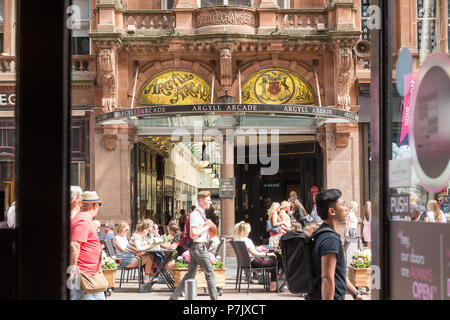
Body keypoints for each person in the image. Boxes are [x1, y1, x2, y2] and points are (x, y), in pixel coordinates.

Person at [307, 189, 363, 300]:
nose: (346, 208)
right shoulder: (330, 239)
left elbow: (337, 273)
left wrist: (355, 294)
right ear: (332, 211)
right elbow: (327, 278)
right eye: (343, 205)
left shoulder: (322, 233)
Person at [170, 190, 218, 300]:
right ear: (201, 201)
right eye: (208, 200)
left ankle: (173, 297)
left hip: (197, 247)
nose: (210, 202)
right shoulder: (196, 214)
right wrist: (207, 226)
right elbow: (193, 234)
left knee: (190, 274)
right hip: (198, 247)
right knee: (210, 274)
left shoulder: (201, 213)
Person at [69, 191, 106, 300]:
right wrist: (73, 268)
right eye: (99, 205)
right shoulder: (83, 220)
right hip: (84, 275)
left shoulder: (84, 219)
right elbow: (74, 245)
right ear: (95, 205)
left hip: (89, 275)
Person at [235, 221, 279, 292]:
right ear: (246, 230)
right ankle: (273, 286)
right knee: (277, 261)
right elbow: (255, 254)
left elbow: (251, 251)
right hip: (254, 262)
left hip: (246, 262)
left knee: (275, 260)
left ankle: (273, 284)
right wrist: (268, 254)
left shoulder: (238, 239)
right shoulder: (247, 240)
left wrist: (257, 249)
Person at [121, 220, 157, 284]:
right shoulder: (137, 236)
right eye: (151, 227)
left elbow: (152, 242)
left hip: (134, 257)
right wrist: (149, 247)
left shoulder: (146, 234)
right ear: (145, 228)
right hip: (127, 260)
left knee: (151, 256)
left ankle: (148, 277)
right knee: (149, 258)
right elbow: (139, 248)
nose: (152, 229)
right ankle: (147, 278)